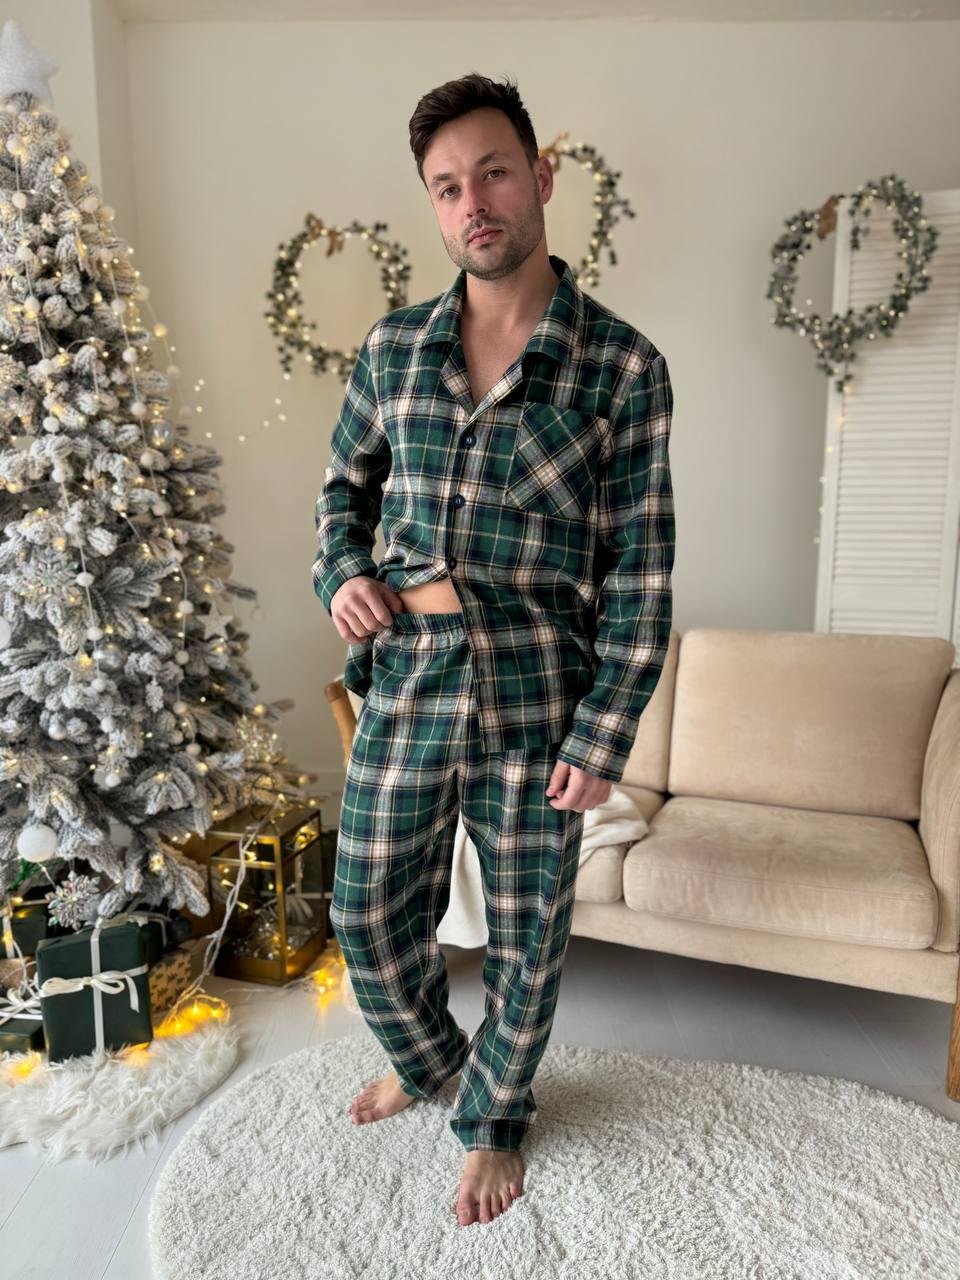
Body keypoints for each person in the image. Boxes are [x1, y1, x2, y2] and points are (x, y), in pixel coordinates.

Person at [313, 71, 676, 1228]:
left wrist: (603, 732)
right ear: (433, 204)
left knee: (526, 934)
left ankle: (494, 1115)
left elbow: (641, 570)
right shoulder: (393, 350)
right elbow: (342, 492)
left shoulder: (622, 367)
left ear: (540, 176)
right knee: (365, 913)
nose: (474, 203)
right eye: (447, 186)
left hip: (537, 687)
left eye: (494, 173)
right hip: (410, 676)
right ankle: (430, 1059)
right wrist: (343, 573)